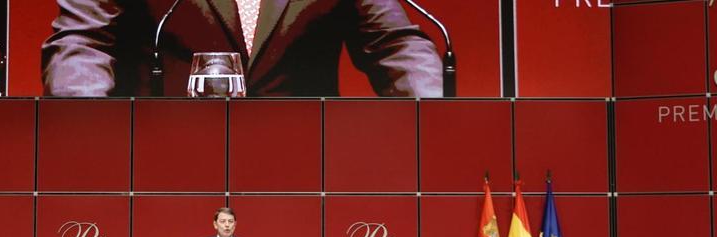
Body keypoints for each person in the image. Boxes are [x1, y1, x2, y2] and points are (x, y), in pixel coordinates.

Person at [42, 0, 443, 97]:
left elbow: (397, 45)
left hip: (302, 181)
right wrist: (87, 130)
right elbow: (83, 41)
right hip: (160, 174)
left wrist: (434, 123)